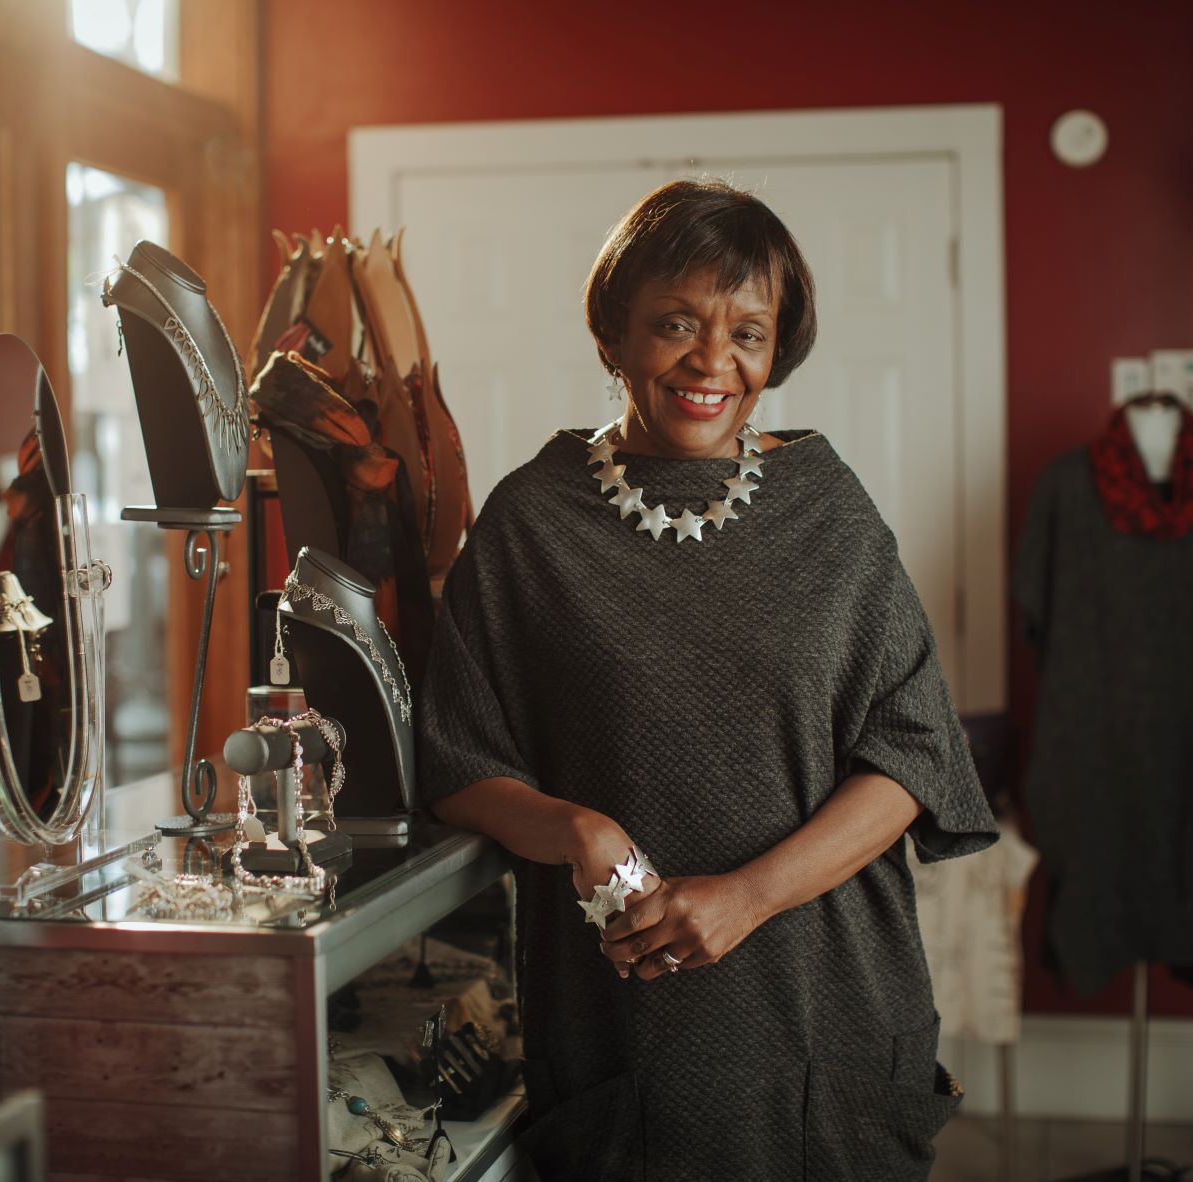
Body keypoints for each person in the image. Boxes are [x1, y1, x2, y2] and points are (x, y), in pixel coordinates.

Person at [417, 177, 997, 1180]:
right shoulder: (532, 525)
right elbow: (459, 759)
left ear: (778, 350)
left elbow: (914, 756)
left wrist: (744, 898)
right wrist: (576, 828)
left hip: (834, 995)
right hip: (627, 1015)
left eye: (748, 332)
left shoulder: (829, 511)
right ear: (611, 333)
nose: (711, 362)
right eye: (677, 324)